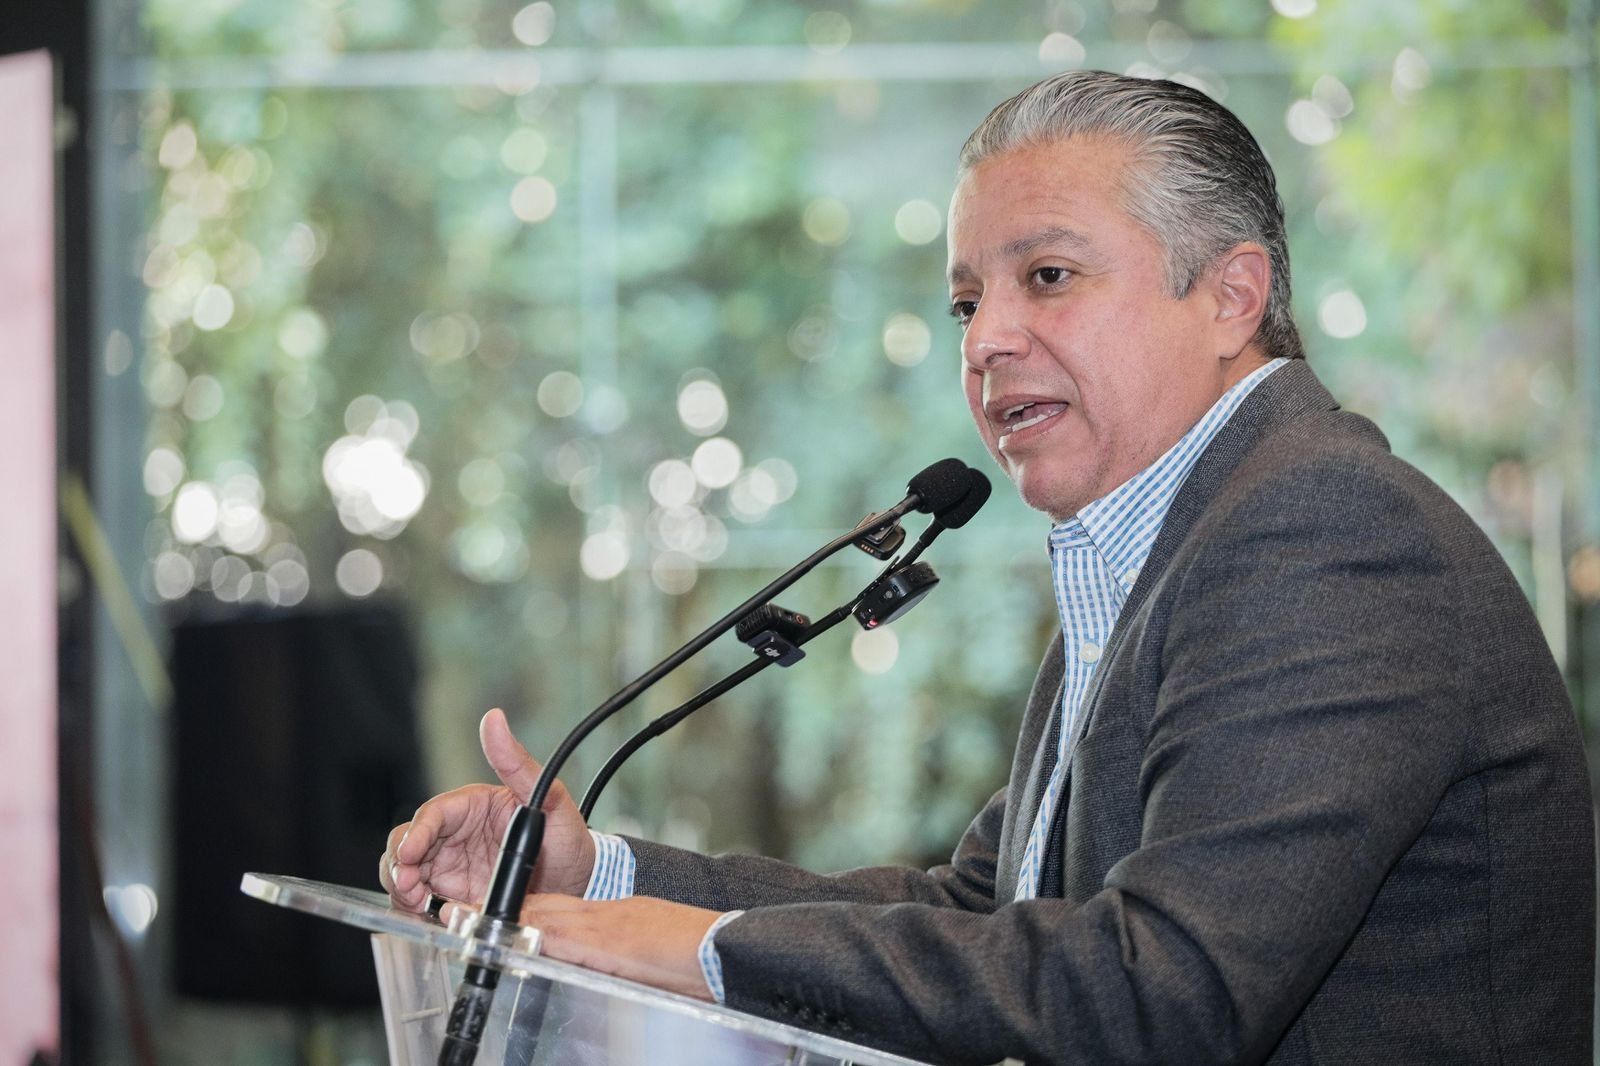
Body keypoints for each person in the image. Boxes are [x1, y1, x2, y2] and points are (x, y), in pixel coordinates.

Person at [380, 71, 1595, 1065]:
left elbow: (1165, 991)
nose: (987, 341)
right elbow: (981, 915)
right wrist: (597, 876)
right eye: (967, 303)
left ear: (1231, 295)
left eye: (1047, 278)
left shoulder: (1322, 531)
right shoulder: (1168, 547)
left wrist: (699, 952)